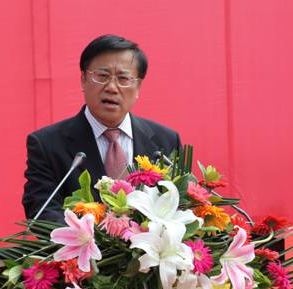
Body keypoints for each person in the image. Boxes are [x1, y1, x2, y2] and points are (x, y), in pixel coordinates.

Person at [22, 34, 181, 223]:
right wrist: (91, 236)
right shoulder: (47, 144)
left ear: (138, 86)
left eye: (123, 78)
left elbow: (179, 204)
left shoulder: (165, 141)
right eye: (102, 76)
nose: (112, 87)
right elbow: (42, 209)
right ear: (83, 79)